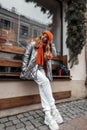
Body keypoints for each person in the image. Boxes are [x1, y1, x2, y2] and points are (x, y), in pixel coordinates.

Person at [20, 30, 63, 130]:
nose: (43, 37)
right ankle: (53, 109)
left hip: (42, 70)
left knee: (42, 87)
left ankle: (47, 115)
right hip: (32, 69)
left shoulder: (47, 48)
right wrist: (24, 70)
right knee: (45, 82)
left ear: (48, 40)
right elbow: (26, 57)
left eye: (46, 37)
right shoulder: (33, 44)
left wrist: (51, 44)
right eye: (43, 35)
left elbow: (55, 55)